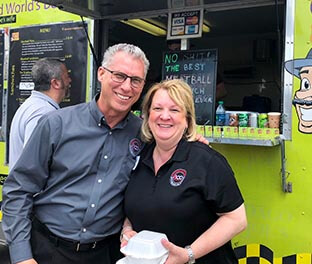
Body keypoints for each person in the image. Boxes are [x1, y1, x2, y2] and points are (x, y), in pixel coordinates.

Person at [2, 43, 150, 264]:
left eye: (135, 80)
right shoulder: (57, 124)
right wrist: (22, 256)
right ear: (101, 73)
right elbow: (18, 190)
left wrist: (194, 141)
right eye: (119, 76)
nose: (127, 87)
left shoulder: (144, 134)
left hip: (103, 254)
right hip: (47, 251)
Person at [121, 79, 247, 264]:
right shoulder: (138, 158)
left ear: (187, 120)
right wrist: (127, 230)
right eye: (157, 109)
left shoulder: (207, 161)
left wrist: (189, 254)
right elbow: (136, 208)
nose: (165, 116)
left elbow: (236, 219)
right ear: (147, 116)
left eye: (174, 110)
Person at [9, 57, 71, 170]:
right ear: (56, 83)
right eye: (67, 77)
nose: (69, 81)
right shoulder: (43, 112)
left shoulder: (31, 106)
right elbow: (33, 163)